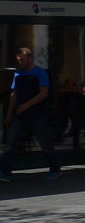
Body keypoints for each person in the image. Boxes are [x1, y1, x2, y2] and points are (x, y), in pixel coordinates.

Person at [0, 48, 62, 181]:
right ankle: (5, 172)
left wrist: (27, 104)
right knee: (11, 142)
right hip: (20, 114)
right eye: (18, 60)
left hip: (37, 114)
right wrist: (9, 113)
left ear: (30, 58)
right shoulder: (18, 73)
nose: (20, 63)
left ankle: (55, 168)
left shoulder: (40, 73)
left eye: (22, 60)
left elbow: (43, 93)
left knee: (44, 142)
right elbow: (14, 94)